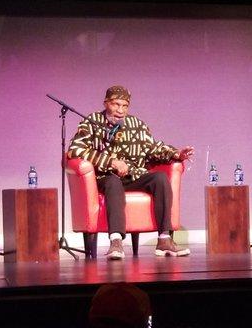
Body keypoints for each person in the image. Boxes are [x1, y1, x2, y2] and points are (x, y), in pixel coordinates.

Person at [68, 85, 193, 260]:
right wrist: (111, 162)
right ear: (106, 104)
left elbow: (153, 148)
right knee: (113, 182)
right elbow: (75, 150)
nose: (120, 110)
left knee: (160, 178)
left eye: (124, 106)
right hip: (106, 177)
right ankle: (116, 242)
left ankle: (164, 239)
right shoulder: (92, 122)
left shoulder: (137, 124)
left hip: (133, 176)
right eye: (116, 104)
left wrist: (176, 154)